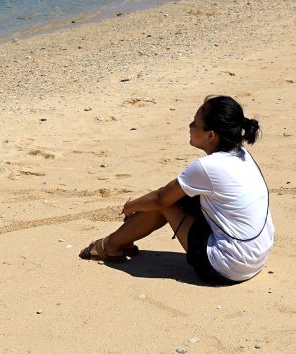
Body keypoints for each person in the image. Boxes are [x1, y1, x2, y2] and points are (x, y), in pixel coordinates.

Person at [78, 95, 274, 285]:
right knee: (180, 198)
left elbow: (161, 199)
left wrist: (131, 205)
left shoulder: (207, 166)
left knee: (166, 203)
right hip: (256, 257)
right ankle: (123, 241)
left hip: (227, 268)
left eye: (194, 124)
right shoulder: (242, 155)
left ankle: (110, 245)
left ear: (210, 136)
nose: (190, 126)